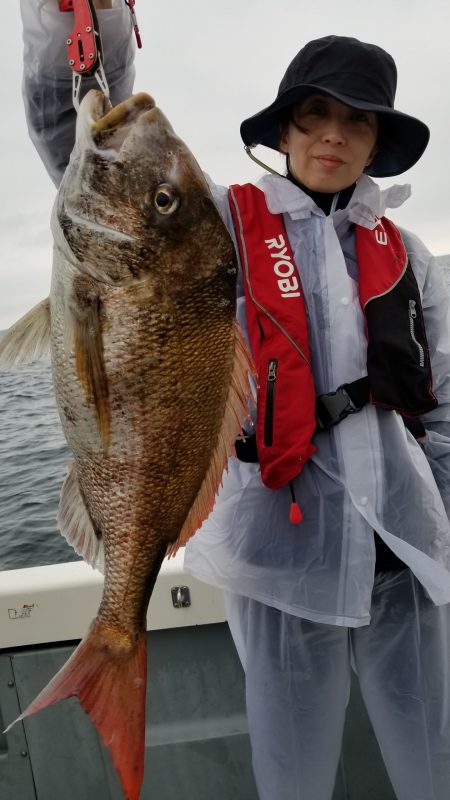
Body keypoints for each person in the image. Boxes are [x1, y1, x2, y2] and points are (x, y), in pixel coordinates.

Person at [18, 8, 450, 798]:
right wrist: (82, 23)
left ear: (377, 142)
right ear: (284, 129)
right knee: (294, 774)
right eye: (314, 113)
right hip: (281, 559)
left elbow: (443, 409)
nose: (333, 135)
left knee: (435, 763)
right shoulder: (216, 225)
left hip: (404, 555)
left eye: (357, 121)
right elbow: (79, 144)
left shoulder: (411, 256)